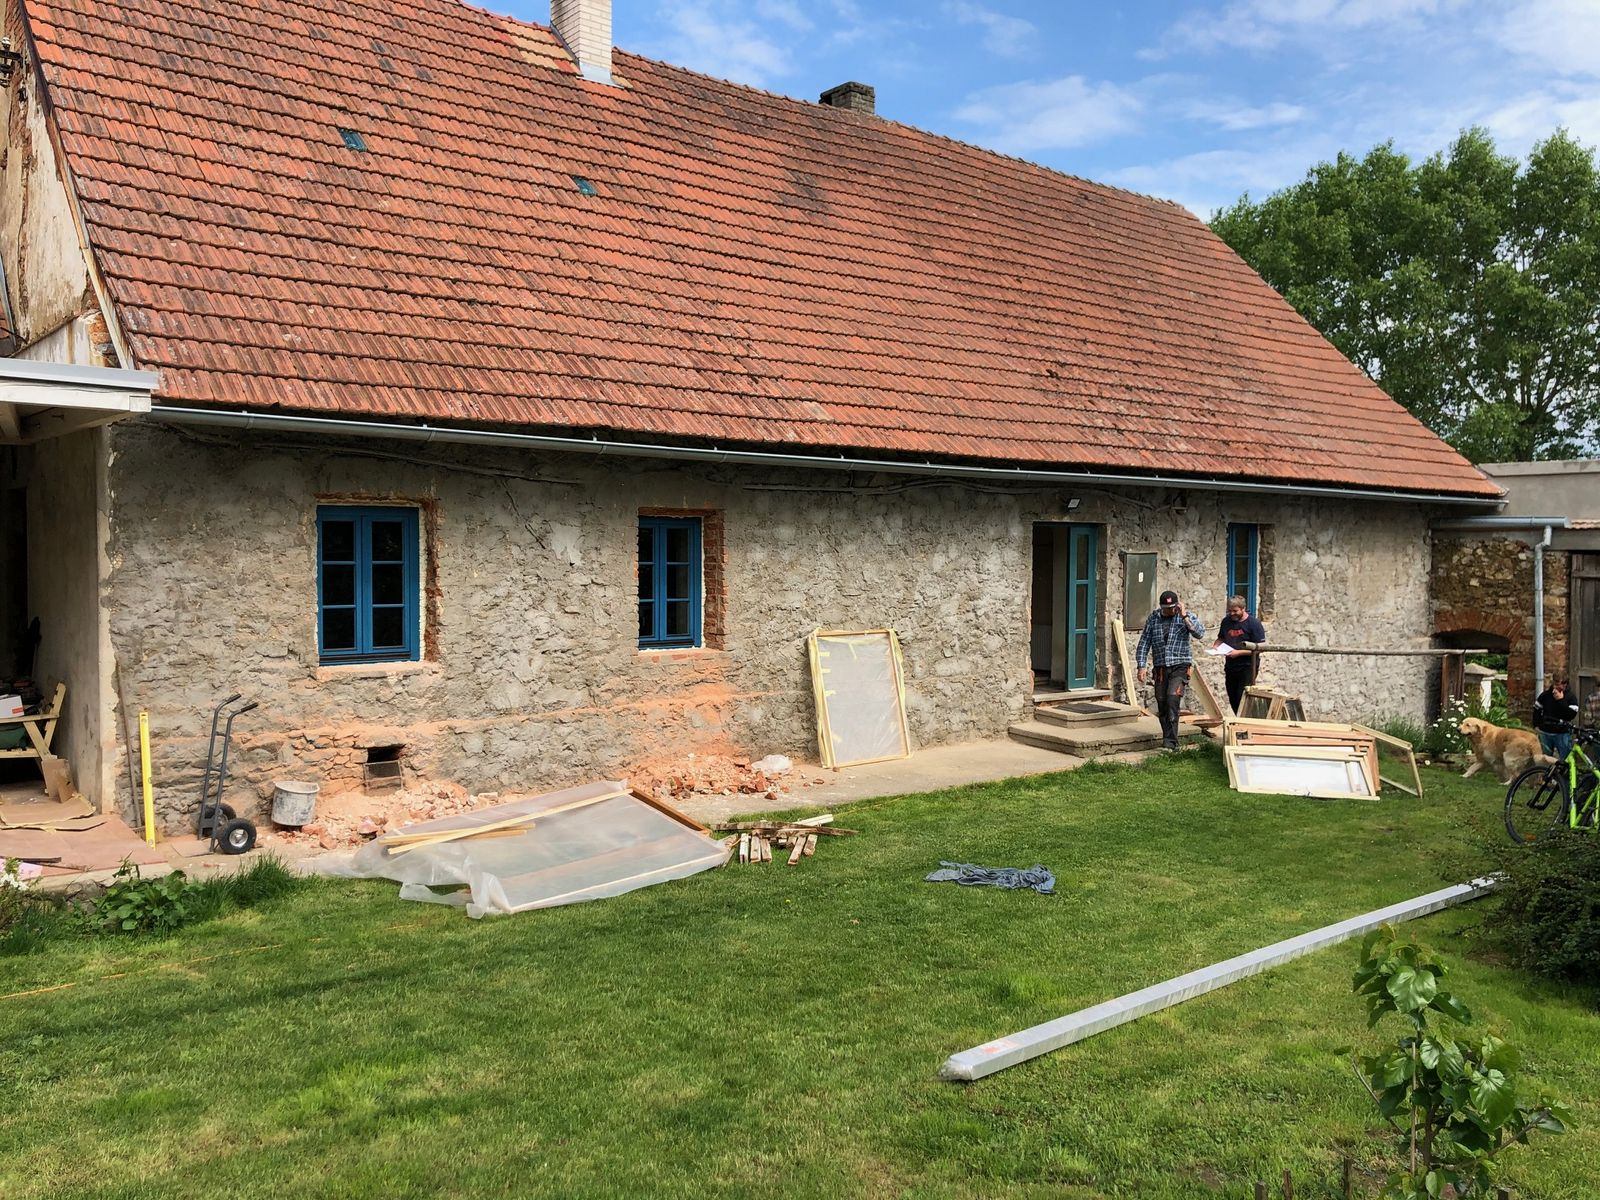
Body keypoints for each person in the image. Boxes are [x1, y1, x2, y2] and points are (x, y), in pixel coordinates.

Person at [1136, 589, 1205, 751]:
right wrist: (1141, 665)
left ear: (1177, 605)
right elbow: (1144, 641)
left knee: (1172, 698)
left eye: (1173, 607)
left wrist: (1184, 615)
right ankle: (1167, 738)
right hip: (1161, 667)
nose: (1170, 610)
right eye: (1166, 608)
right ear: (1161, 607)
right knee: (1162, 702)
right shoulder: (1154, 618)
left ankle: (1171, 742)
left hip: (1180, 665)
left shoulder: (1185, 616)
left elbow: (1199, 633)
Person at [1214, 595, 1267, 714]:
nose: (1232, 614)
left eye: (1235, 611)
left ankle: (1245, 720)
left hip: (1248, 666)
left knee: (1241, 696)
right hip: (1231, 666)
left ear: (1243, 609)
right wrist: (1216, 646)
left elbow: (1261, 648)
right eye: (1230, 611)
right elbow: (1221, 638)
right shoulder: (1226, 621)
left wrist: (1239, 653)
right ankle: (1239, 719)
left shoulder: (1254, 624)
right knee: (1232, 697)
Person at [1533, 677, 1580, 760]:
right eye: (1554, 684)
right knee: (1544, 759)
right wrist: (1536, 725)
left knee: (1565, 760)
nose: (1555, 687)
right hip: (1545, 732)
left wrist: (1560, 701)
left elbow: (1571, 715)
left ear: (1565, 685)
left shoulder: (1571, 697)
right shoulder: (1545, 695)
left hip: (1562, 733)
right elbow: (1537, 709)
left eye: (1558, 685)